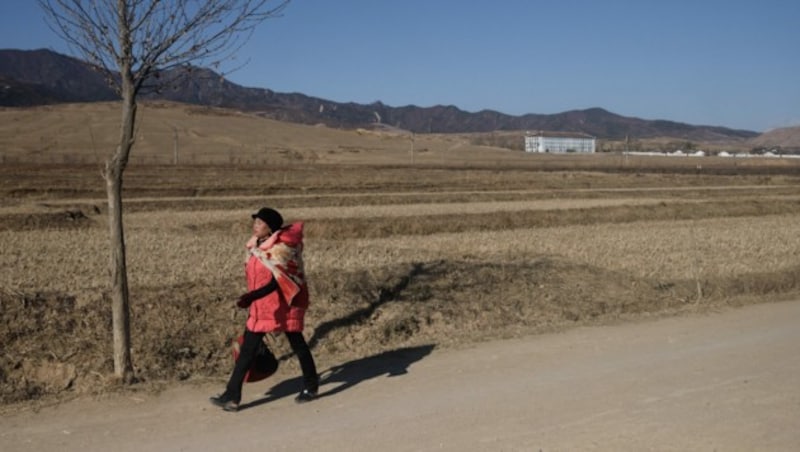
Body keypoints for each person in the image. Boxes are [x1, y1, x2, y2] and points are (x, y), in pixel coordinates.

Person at [210, 207, 319, 412]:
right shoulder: (255, 246)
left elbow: (279, 282)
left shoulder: (281, 249)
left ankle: (311, 387)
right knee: (247, 352)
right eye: (255, 222)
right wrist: (253, 298)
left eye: (260, 223)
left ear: (270, 228)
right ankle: (232, 396)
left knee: (299, 346)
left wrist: (252, 296)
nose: (255, 226)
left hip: (284, 305)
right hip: (261, 307)